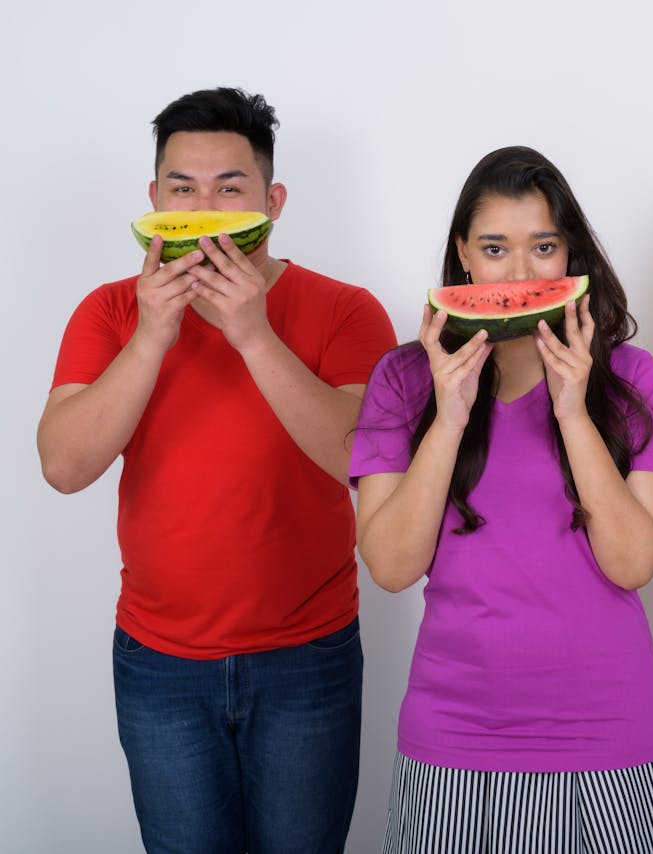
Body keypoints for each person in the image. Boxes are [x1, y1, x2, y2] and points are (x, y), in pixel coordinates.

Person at [37, 87, 395, 853]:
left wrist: (253, 336)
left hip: (310, 658)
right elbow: (64, 466)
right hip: (159, 666)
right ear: (153, 200)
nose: (204, 207)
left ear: (273, 199)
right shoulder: (110, 312)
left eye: (229, 188)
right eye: (182, 190)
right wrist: (151, 339)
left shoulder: (347, 310)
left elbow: (357, 458)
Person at [350, 146, 653, 854]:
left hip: (612, 738)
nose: (517, 276)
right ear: (462, 257)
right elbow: (389, 567)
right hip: (454, 742)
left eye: (542, 247)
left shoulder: (630, 378)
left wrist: (573, 411)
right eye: (494, 249)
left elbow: (634, 563)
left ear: (570, 254)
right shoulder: (402, 380)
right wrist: (448, 417)